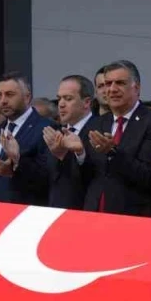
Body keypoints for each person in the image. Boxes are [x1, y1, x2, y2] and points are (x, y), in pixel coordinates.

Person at [74, 60, 151, 217]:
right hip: (94, 213)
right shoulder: (97, 123)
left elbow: (148, 176)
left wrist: (113, 152)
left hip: (132, 216)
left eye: (120, 83)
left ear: (136, 88)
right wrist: (80, 154)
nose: (112, 89)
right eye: (108, 84)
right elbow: (89, 176)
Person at [0, 71, 54, 206]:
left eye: (9, 94)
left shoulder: (46, 128)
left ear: (27, 97)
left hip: (25, 210)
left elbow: (49, 176)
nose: (3, 101)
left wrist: (17, 160)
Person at [45, 75, 95, 210]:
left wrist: (78, 154)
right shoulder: (55, 132)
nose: (61, 104)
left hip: (84, 212)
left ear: (86, 102)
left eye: (68, 99)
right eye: (59, 98)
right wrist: (16, 159)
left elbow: (95, 177)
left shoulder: (99, 129)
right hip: (55, 211)